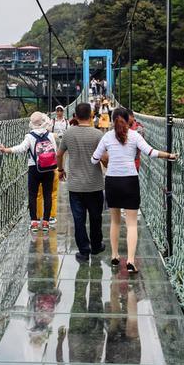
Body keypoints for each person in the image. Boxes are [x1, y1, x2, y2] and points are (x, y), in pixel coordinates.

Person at [91, 106, 178, 273]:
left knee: (115, 222)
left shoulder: (107, 137)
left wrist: (105, 157)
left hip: (112, 182)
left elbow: (94, 159)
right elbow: (151, 152)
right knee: (131, 223)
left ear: (112, 118)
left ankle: (115, 256)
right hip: (130, 181)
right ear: (128, 119)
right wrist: (169, 155)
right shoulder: (134, 135)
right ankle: (130, 260)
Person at [57, 102, 105, 263]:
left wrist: (61, 170)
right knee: (96, 217)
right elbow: (104, 159)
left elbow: (59, 154)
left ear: (75, 116)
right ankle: (97, 246)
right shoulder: (98, 134)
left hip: (75, 185)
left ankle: (84, 252)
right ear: (91, 115)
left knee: (78, 219)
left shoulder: (69, 134)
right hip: (95, 184)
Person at [0, 112, 57, 233]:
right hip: (49, 168)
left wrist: (6, 150)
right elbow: (54, 151)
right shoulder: (50, 135)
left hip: (34, 168)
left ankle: (34, 222)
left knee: (32, 195)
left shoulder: (29, 136)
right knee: (47, 195)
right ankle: (46, 222)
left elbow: (21, 148)